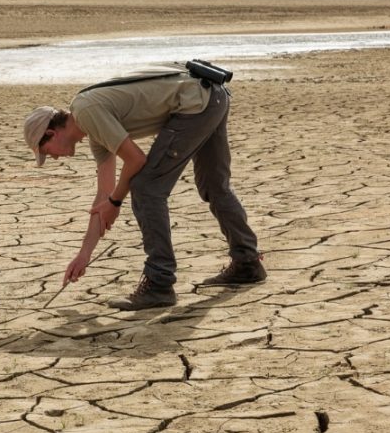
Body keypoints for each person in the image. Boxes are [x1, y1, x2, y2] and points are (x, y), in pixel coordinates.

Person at [23, 64, 265, 310]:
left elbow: (136, 161)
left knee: (147, 188)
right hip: (211, 96)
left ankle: (159, 284)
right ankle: (247, 262)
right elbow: (103, 197)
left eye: (45, 152)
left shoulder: (87, 112)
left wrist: (116, 202)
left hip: (196, 102)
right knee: (214, 185)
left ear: (51, 133)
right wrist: (84, 254)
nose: (52, 158)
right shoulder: (93, 129)